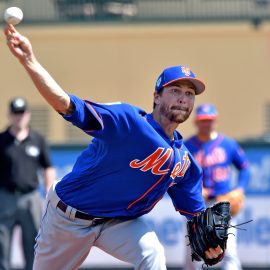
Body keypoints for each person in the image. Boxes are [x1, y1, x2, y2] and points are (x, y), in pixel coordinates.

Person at [4, 24, 224, 270]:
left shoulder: (184, 161)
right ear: (156, 96)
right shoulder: (127, 121)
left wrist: (212, 244)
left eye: (189, 93)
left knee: (152, 253)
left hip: (117, 222)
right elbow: (67, 105)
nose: (183, 98)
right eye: (174, 90)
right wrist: (30, 61)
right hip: (68, 218)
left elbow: (196, 215)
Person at [184, 103, 250, 270]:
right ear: (196, 122)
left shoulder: (228, 144)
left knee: (229, 252)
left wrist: (239, 189)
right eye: (203, 120)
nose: (206, 123)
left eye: (210, 120)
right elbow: (180, 176)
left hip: (223, 203)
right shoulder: (187, 146)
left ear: (215, 121)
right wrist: (195, 190)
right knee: (194, 252)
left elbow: (244, 167)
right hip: (197, 205)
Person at [0, 97, 55, 270]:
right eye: (16, 113)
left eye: (22, 113)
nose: (19, 117)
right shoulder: (1, 140)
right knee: (2, 244)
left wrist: (48, 191)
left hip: (30, 198)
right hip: (5, 198)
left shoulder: (37, 139)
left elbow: (48, 167)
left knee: (33, 243)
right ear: (10, 115)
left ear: (28, 115)